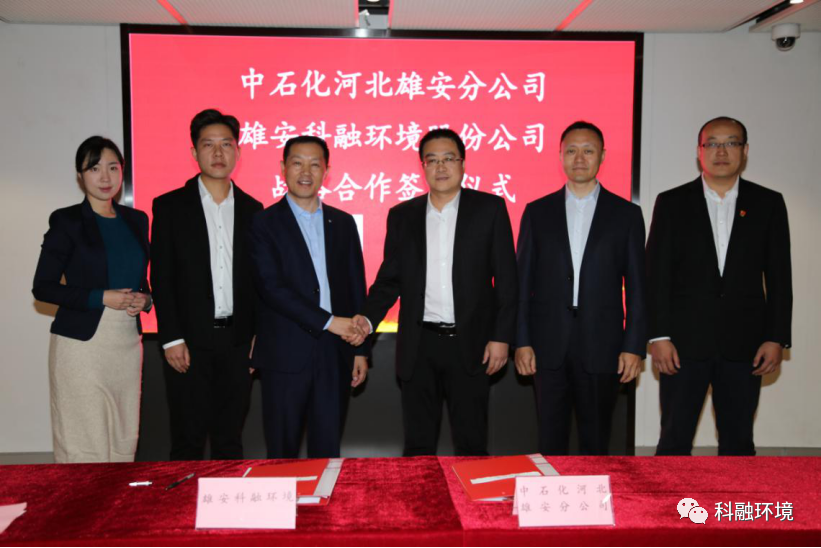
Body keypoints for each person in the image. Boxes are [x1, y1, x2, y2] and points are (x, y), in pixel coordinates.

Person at [352, 128, 518, 457]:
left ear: (463, 164)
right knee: (418, 445)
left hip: (471, 345)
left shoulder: (489, 209)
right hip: (419, 346)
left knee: (471, 444)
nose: (441, 167)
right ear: (423, 167)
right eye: (432, 160)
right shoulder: (402, 215)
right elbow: (389, 281)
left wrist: (501, 337)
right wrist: (366, 322)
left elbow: (507, 281)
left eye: (449, 159)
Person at [647, 116, 792, 456]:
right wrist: (658, 336)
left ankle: (734, 494)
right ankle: (669, 495)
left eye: (731, 143)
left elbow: (779, 276)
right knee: (674, 441)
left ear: (745, 150)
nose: (721, 151)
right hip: (682, 345)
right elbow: (655, 274)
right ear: (699, 151)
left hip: (745, 345)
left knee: (738, 442)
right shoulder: (672, 202)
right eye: (712, 143)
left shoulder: (768, 203)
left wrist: (776, 337)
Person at [514, 121, 646, 455]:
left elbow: (637, 287)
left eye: (588, 150)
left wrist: (633, 346)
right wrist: (522, 341)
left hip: (603, 344)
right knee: (550, 441)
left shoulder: (627, 215)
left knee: (596, 441)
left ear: (602, 156)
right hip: (547, 345)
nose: (579, 158)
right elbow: (522, 284)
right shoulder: (537, 212)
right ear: (560, 156)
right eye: (571, 150)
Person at [151, 109, 263, 460]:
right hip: (188, 342)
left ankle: (228, 498)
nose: (218, 153)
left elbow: (259, 282)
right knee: (188, 440)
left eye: (226, 144)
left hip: (237, 342)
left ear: (238, 152)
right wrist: (171, 337)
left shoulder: (254, 210)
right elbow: (162, 276)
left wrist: (258, 336)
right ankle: (183, 499)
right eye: (208, 144)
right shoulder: (170, 206)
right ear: (194, 152)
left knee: (230, 440)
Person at [247, 136, 368, 458]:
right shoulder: (263, 223)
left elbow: (356, 286)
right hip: (285, 352)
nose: (306, 171)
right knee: (282, 451)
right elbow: (271, 287)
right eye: (297, 163)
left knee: (327, 449)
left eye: (315, 164)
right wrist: (329, 321)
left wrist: (360, 349)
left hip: (336, 351)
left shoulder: (342, 222)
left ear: (326, 171)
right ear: (283, 168)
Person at [32, 136, 151, 463]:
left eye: (113, 167)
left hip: (126, 344)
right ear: (80, 175)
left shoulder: (137, 220)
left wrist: (146, 300)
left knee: (123, 439)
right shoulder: (66, 221)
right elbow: (43, 288)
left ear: (122, 172)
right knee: (85, 444)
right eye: (94, 168)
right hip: (81, 346)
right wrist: (101, 297)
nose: (105, 177)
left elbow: (142, 282)